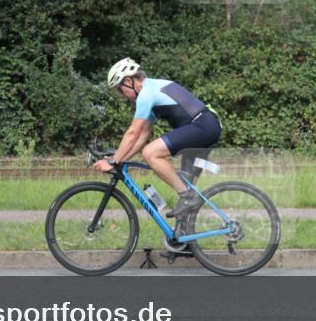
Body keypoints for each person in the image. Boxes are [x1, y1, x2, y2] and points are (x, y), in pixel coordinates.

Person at [94, 57, 221, 222]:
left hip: (202, 126)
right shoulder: (152, 87)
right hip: (206, 126)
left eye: (120, 89)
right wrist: (118, 159)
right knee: (185, 189)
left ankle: (187, 196)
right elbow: (142, 137)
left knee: (150, 153)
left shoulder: (146, 94)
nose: (121, 95)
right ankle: (182, 243)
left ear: (128, 81)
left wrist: (112, 162)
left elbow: (133, 133)